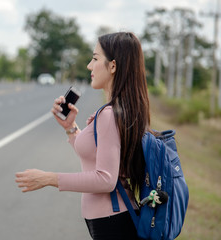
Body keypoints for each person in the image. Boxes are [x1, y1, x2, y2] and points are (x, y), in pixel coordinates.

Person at [15, 32, 151, 240]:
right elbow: (98, 156)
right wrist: (70, 128)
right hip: (111, 220)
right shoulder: (120, 110)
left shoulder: (109, 115)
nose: (89, 66)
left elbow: (105, 179)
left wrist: (48, 178)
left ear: (113, 66)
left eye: (95, 59)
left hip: (113, 223)